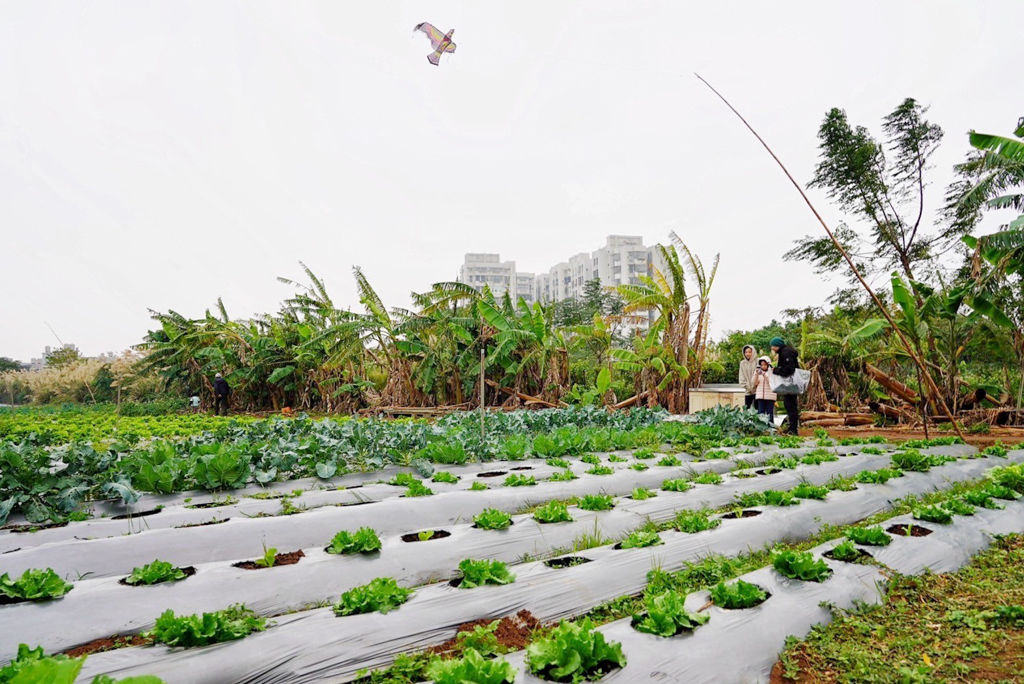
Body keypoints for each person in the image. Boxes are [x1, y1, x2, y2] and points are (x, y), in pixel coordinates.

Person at [770, 337, 800, 435]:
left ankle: (793, 429)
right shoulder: (785, 352)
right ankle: (792, 427)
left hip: (790, 384)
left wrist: (776, 371)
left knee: (791, 406)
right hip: (790, 384)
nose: (772, 348)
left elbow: (789, 369)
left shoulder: (785, 353)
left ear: (777, 345)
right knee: (790, 405)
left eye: (773, 346)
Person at [752, 356, 776, 422]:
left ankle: (771, 427)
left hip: (770, 396)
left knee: (769, 413)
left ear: (768, 364)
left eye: (765, 364)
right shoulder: (758, 372)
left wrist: (764, 374)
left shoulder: (772, 372)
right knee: (760, 412)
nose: (763, 366)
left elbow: (771, 381)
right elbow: (754, 383)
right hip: (760, 396)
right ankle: (761, 428)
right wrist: (756, 374)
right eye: (761, 365)